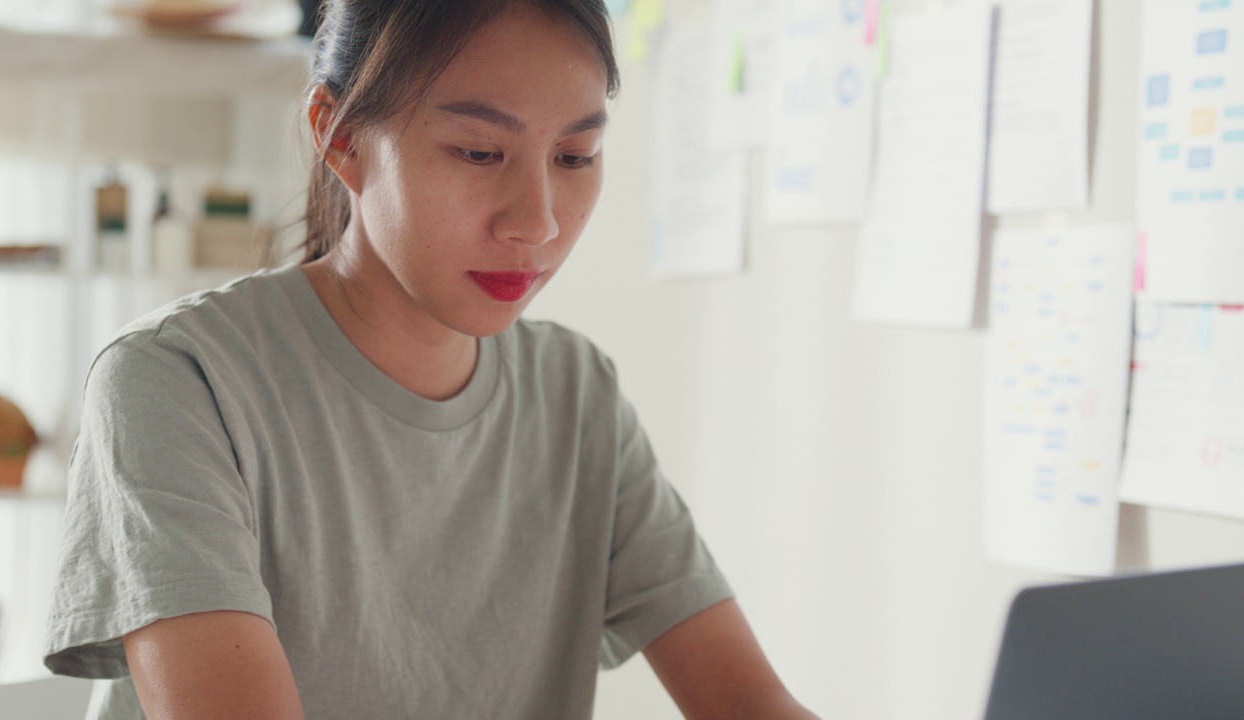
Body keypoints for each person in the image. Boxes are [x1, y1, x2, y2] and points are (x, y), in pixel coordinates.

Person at [43, 1, 820, 718]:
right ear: (340, 137)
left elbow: (752, 705)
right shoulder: (177, 382)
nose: (538, 223)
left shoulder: (577, 396)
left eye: (576, 157)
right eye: (480, 152)